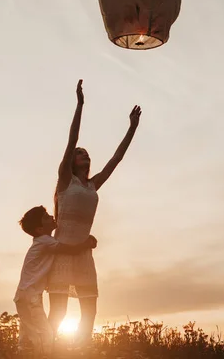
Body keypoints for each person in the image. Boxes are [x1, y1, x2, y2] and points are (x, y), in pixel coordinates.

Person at [47, 79, 142, 346]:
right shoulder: (66, 181)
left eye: (86, 154)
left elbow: (117, 158)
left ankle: (82, 350)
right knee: (58, 312)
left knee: (90, 311)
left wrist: (132, 128)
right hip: (63, 251)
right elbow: (72, 139)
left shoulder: (92, 184)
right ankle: (50, 350)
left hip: (84, 253)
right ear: (71, 161)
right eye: (79, 154)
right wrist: (80, 105)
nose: (83, 155)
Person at [14, 205, 97, 357]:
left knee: (28, 333)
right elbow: (70, 250)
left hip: (24, 295)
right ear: (40, 229)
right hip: (30, 296)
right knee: (44, 333)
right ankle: (44, 355)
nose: (52, 217)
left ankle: (25, 354)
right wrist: (87, 243)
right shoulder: (45, 241)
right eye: (46, 217)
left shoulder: (43, 241)